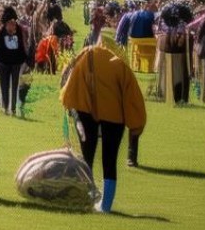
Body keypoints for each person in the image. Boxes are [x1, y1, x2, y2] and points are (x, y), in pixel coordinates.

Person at [60, 42, 147, 212]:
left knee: (87, 158)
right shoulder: (119, 63)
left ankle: (86, 199)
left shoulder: (85, 56)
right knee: (110, 160)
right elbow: (132, 95)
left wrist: (72, 107)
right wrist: (135, 124)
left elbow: (70, 84)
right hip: (115, 116)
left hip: (86, 111)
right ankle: (106, 206)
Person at [0, 6, 30, 115]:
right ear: (6, 23)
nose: (13, 24)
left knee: (14, 85)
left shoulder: (19, 30)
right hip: (3, 62)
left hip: (15, 62)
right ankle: (5, 107)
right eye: (10, 23)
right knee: (4, 85)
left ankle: (13, 108)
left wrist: (25, 58)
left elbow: (23, 43)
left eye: (14, 22)